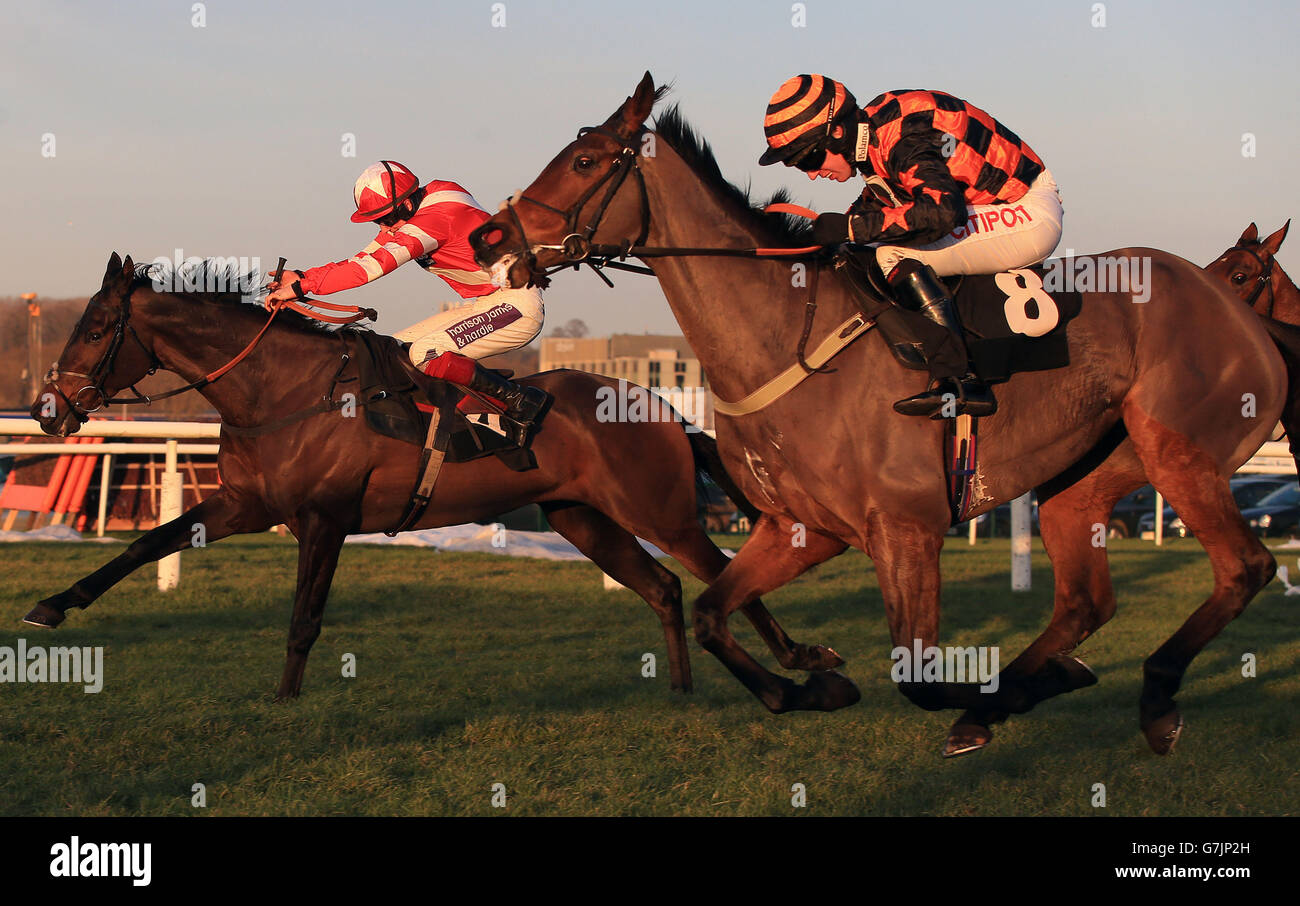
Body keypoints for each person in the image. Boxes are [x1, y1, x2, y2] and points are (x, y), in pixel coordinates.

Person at [759, 75, 1064, 417]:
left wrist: (850, 227)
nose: (812, 174)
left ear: (838, 134)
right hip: (994, 205)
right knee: (865, 248)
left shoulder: (904, 138)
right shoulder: (873, 134)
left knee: (891, 253)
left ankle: (961, 380)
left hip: (1026, 210)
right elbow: (883, 207)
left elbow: (942, 211)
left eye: (809, 161)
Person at [266, 160, 547, 425]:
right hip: (487, 303)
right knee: (392, 353)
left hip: (518, 305)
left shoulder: (434, 220)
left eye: (389, 217)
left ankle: (518, 399)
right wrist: (304, 277)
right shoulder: (421, 204)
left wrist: (302, 287)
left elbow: (371, 267)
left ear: (410, 201)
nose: (386, 227)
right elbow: (365, 256)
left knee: (425, 352)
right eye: (379, 221)